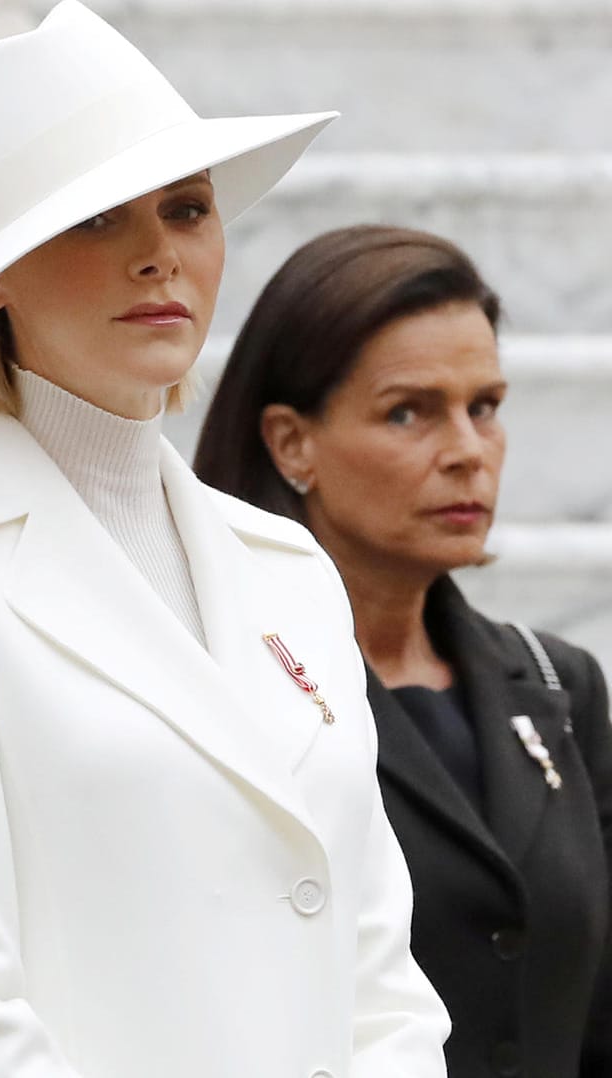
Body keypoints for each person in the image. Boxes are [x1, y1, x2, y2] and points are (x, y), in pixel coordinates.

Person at [0, 4, 451, 1076]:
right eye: (96, 218)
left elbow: (381, 970)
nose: (157, 255)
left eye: (187, 209)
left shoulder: (284, 568)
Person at [196, 223, 612, 1078]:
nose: (467, 452)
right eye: (409, 412)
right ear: (290, 443)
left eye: (484, 407)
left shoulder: (557, 685)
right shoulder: (212, 689)